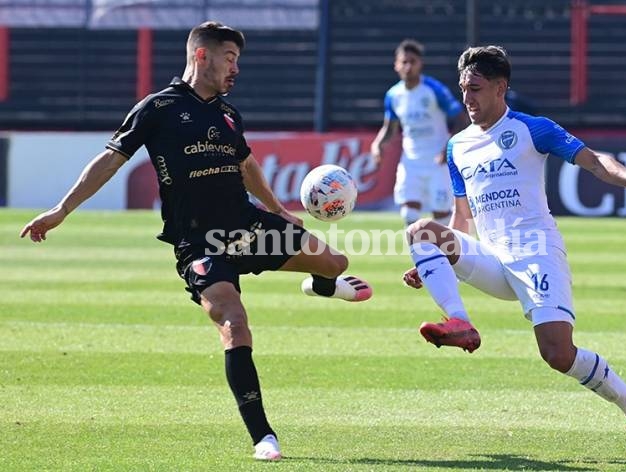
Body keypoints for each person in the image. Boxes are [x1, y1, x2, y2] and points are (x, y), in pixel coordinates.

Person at [20, 21, 372, 462]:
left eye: (238, 60)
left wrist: (279, 210)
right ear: (201, 55)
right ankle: (264, 436)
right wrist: (61, 210)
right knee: (234, 323)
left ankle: (319, 286)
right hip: (199, 244)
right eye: (230, 58)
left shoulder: (228, 114)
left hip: (248, 228)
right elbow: (110, 160)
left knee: (335, 263)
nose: (236, 68)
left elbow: (246, 167)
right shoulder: (157, 109)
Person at [402, 45, 626, 456]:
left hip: (535, 253)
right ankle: (460, 323)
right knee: (422, 231)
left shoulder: (534, 129)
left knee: (557, 354)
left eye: (475, 88)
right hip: (492, 257)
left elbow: (596, 161)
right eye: (463, 89)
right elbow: (462, 218)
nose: (467, 99)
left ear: (500, 87)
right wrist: (435, 261)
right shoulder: (458, 146)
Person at [370, 39, 468, 227]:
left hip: (437, 162)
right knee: (408, 212)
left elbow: (461, 118)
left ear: (420, 64)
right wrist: (377, 145)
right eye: (404, 62)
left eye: (412, 61)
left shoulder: (433, 89)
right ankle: (421, 255)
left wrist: (447, 149)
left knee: (442, 215)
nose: (408, 66)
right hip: (411, 162)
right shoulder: (393, 95)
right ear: (396, 65)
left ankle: (446, 254)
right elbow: (389, 128)